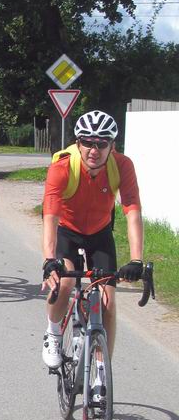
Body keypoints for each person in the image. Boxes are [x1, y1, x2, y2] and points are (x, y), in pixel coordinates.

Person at [41, 110, 143, 387]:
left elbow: (132, 210)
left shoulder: (122, 165)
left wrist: (137, 259)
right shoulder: (62, 166)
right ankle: (52, 333)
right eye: (87, 142)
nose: (94, 150)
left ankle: (101, 371)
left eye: (101, 143)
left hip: (100, 234)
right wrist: (50, 259)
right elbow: (49, 214)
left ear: (113, 146)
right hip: (67, 232)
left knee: (108, 303)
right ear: (78, 143)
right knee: (63, 283)